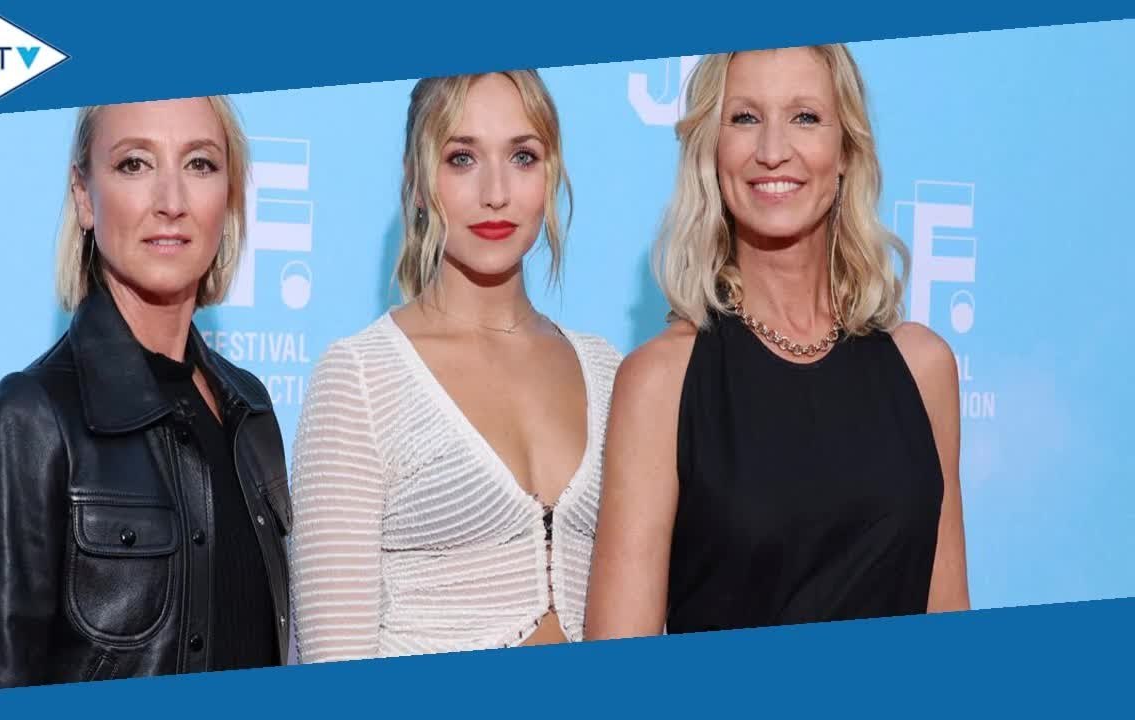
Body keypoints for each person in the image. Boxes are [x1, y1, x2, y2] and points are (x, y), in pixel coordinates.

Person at [585, 45, 969, 639]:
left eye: (805, 117)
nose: (771, 151)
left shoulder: (923, 369)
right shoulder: (662, 381)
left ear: (845, 150)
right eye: (744, 118)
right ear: (712, 151)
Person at [0, 97, 292, 687]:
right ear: (84, 196)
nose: (171, 202)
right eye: (135, 164)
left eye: (200, 165)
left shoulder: (250, 409)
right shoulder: (31, 418)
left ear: (230, 198)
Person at [286, 71, 621, 662]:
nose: (496, 192)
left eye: (523, 156)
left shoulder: (608, 370)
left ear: (551, 174)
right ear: (418, 182)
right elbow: (332, 655)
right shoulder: (360, 377)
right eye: (462, 158)